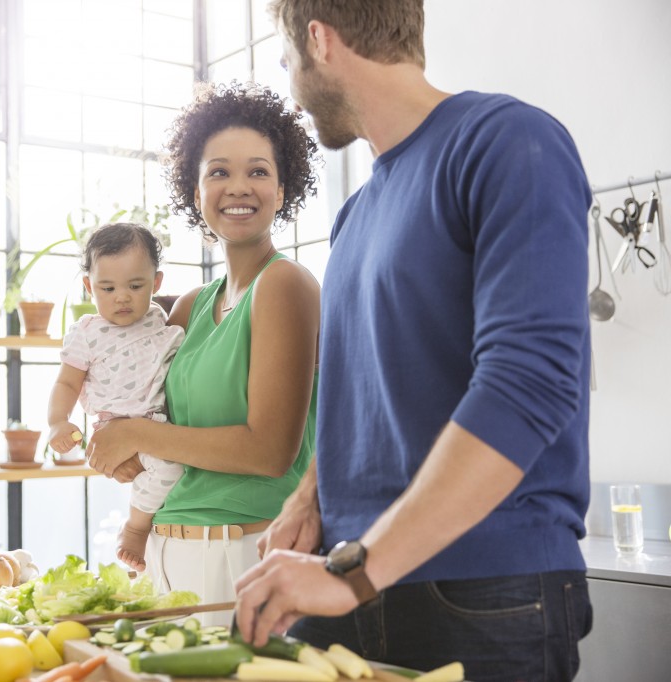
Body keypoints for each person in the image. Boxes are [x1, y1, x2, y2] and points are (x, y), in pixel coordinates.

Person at [234, 2, 593, 681]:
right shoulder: (354, 216)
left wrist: (357, 570)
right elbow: (350, 391)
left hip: (486, 592)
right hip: (351, 576)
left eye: (286, 61)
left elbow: (528, 386)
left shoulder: (508, 141)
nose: (290, 84)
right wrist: (309, 499)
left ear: (319, 40)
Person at [84, 82, 322, 618]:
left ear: (283, 190)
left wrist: (136, 435)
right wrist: (120, 452)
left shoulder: (285, 286)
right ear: (196, 193)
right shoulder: (190, 307)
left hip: (240, 556)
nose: (238, 187)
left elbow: (269, 452)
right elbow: (145, 411)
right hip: (164, 556)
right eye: (219, 172)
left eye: (258, 171)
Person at [46, 222, 185, 572]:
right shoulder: (88, 333)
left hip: (156, 425)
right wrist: (57, 422)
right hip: (112, 426)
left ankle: (138, 525)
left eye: (135, 286)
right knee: (166, 471)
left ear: (156, 283)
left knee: (171, 468)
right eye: (107, 288)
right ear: (88, 286)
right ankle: (137, 528)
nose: (122, 296)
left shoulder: (159, 320)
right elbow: (66, 383)